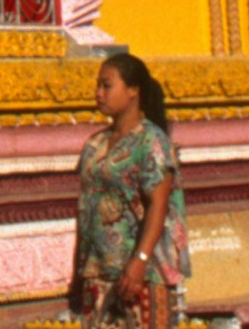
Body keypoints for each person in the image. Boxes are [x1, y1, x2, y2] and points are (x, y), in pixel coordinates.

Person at [72, 51, 187, 328]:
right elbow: (86, 209)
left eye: (107, 85)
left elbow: (158, 206)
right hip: (97, 271)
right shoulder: (94, 146)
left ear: (133, 91)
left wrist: (139, 262)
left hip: (141, 274)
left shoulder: (151, 142)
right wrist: (78, 272)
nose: (99, 93)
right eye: (98, 85)